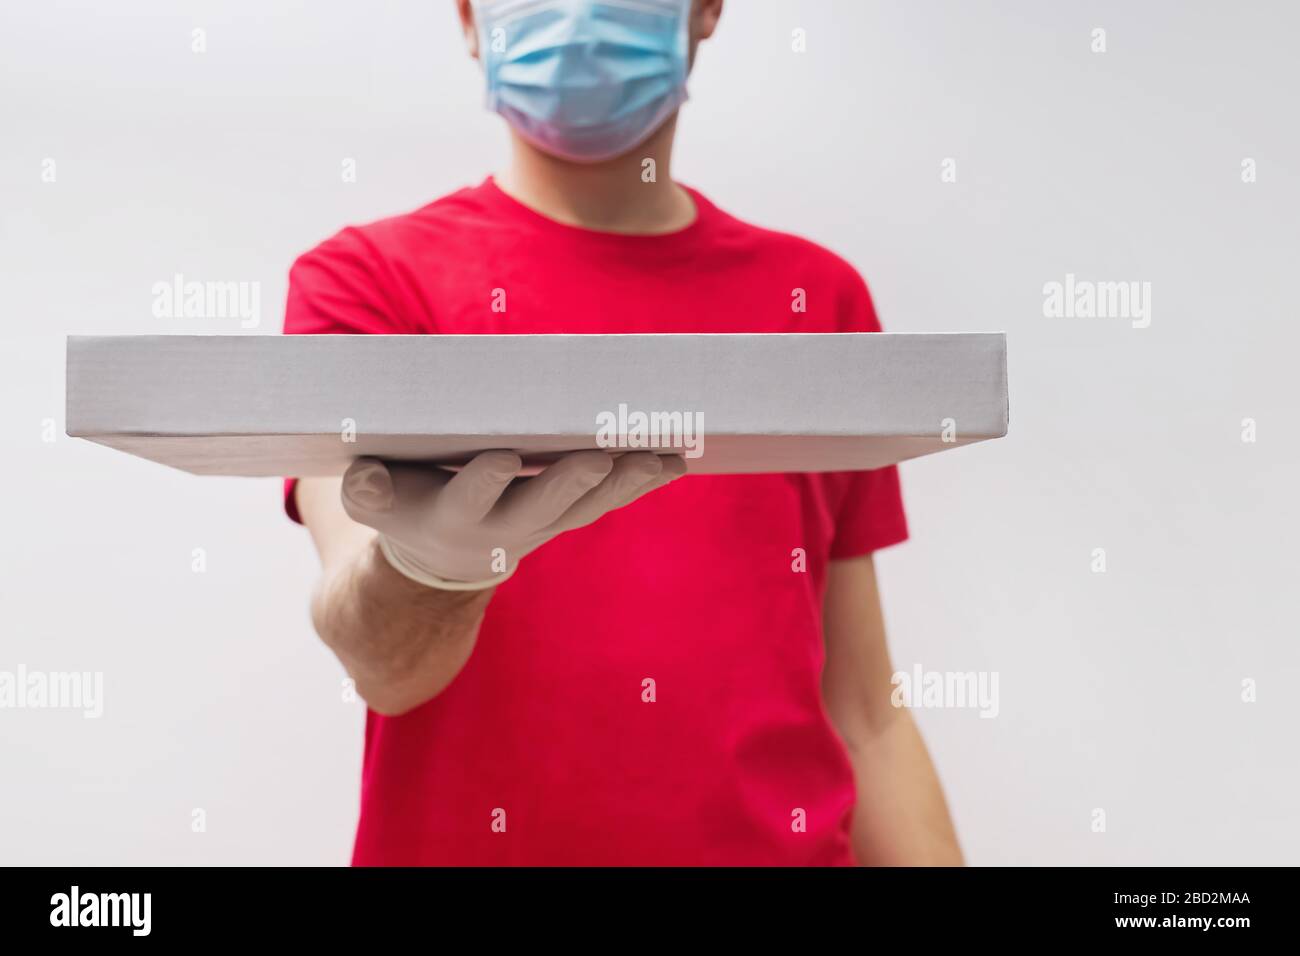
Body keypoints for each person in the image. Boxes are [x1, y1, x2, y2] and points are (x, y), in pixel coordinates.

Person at [284, 0, 963, 866]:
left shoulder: (815, 304)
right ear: (467, 16)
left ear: (708, 10)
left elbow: (865, 714)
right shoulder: (366, 288)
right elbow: (383, 668)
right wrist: (427, 573)